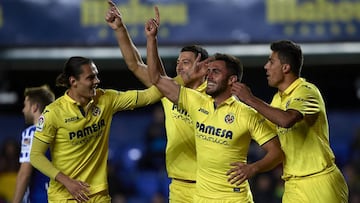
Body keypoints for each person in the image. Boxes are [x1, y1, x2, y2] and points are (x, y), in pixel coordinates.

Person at [145, 16, 284, 202]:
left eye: (216, 72)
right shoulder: (196, 102)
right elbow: (156, 78)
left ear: (232, 80)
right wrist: (152, 39)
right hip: (202, 198)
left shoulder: (246, 114)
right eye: (208, 72)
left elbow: (277, 152)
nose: (209, 76)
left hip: (234, 199)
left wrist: (253, 168)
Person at [106, 2, 209, 202]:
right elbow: (135, 65)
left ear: (204, 67)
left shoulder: (215, 95)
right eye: (178, 63)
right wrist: (120, 29)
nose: (179, 67)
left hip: (210, 184)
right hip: (179, 186)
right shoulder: (169, 91)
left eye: (186, 62)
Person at [231, 40, 349, 202]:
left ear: (285, 67)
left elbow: (287, 120)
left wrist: (250, 99)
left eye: (271, 62)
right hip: (292, 184)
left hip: (319, 181)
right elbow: (263, 132)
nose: (266, 66)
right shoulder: (277, 100)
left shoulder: (307, 91)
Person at [30, 56, 158, 202]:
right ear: (73, 82)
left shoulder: (106, 99)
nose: (97, 81)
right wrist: (67, 182)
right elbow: (35, 156)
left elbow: (149, 96)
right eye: (90, 78)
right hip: (65, 196)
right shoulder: (53, 113)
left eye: (96, 75)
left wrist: (182, 81)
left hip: (98, 195)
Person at [12, 85, 55, 203]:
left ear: (34, 107)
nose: (23, 110)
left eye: (25, 105)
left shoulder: (32, 133)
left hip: (40, 198)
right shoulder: (61, 132)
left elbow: (24, 174)